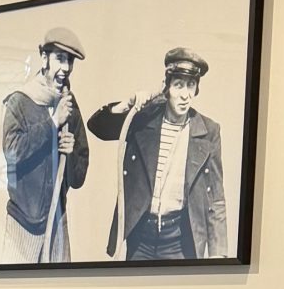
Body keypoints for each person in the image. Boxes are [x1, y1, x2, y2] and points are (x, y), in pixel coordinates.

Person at [88, 48, 229, 261]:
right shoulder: (143, 119)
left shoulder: (209, 132)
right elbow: (98, 127)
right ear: (166, 86)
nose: (185, 95)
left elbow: (216, 198)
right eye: (178, 85)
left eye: (191, 85)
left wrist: (218, 253)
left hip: (180, 241)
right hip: (140, 238)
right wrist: (127, 104)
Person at [1, 32, 89, 263]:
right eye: (60, 58)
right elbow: (12, 152)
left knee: (60, 286)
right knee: (14, 285)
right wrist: (53, 123)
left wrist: (70, 154)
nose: (66, 68)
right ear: (44, 58)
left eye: (70, 61)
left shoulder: (69, 105)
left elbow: (78, 178)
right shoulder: (19, 101)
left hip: (58, 222)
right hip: (23, 224)